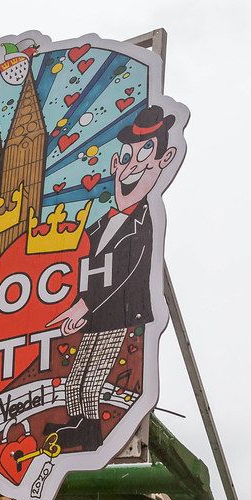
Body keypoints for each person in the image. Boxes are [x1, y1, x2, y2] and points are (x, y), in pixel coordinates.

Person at [45, 105, 179, 449]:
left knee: (93, 381)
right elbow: (87, 271)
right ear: (115, 164)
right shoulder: (96, 227)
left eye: (146, 154)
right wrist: (78, 303)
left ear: (164, 160)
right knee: (76, 379)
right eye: (127, 157)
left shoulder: (145, 224)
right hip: (95, 317)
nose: (132, 165)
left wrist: (85, 306)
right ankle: (78, 425)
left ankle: (91, 432)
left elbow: (125, 273)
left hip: (122, 316)